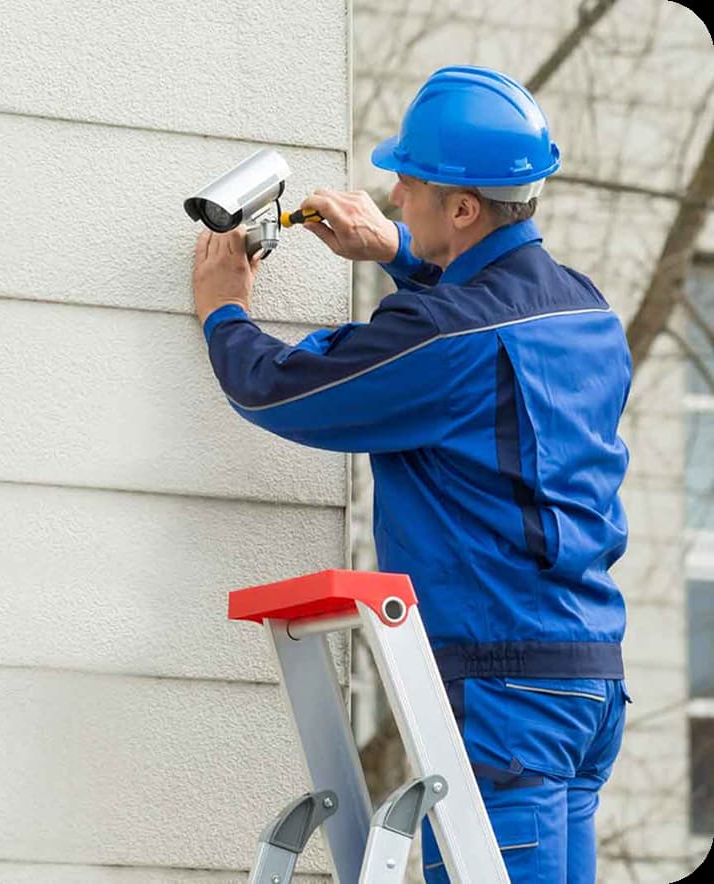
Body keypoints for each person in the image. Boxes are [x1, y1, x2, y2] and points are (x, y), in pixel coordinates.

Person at [192, 65, 632, 883]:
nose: (393, 197)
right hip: (585, 684)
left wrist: (225, 310)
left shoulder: (448, 337)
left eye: (409, 185)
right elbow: (484, 331)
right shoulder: (586, 311)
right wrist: (397, 252)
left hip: (506, 696)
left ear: (461, 208)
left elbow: (284, 387)